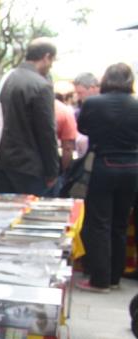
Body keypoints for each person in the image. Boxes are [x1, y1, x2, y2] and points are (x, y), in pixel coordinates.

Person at [77, 63, 138, 292]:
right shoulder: (135, 105)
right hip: (132, 167)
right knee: (120, 224)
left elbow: (83, 128)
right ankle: (114, 277)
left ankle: (99, 279)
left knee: (100, 222)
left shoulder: (94, 103)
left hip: (104, 164)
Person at [0, 38, 59, 195]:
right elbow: (47, 131)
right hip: (31, 166)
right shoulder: (41, 86)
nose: (51, 66)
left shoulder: (6, 79)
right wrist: (52, 170)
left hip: (4, 161)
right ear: (46, 57)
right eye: (52, 61)